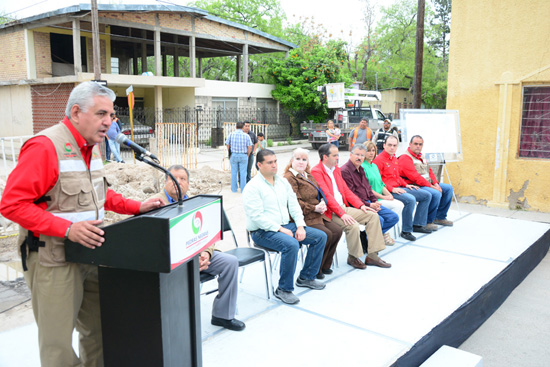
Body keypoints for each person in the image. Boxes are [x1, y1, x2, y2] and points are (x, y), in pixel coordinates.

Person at [0, 81, 164, 367]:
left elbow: (98, 194)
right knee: (57, 344)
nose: (109, 122)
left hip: (91, 253)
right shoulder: (45, 147)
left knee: (98, 329)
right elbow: (11, 204)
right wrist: (66, 229)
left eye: (111, 115)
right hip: (54, 259)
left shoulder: (91, 147)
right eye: (102, 114)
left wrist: (137, 206)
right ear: (76, 112)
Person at [150, 165, 245, 331]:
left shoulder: (194, 202)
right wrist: (194, 259)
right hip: (173, 260)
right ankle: (175, 326)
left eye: (182, 179)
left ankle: (222, 316)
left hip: (198, 253)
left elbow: (208, 233)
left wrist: (206, 254)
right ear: (165, 182)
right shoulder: (155, 204)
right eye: (173, 178)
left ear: (188, 184)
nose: (177, 182)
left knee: (230, 263)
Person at [243, 149, 327, 305]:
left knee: (320, 236)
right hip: (262, 231)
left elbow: (294, 206)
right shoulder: (252, 187)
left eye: (275, 161)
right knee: (291, 244)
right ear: (259, 165)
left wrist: (300, 226)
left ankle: (306, 277)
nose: (274, 165)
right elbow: (257, 217)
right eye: (270, 162)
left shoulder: (282, 182)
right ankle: (283, 289)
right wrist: (280, 229)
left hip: (286, 226)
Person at [311, 143, 390, 270]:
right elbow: (327, 196)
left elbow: (346, 191)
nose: (338, 158)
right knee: (352, 225)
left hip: (343, 207)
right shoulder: (316, 171)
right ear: (325, 157)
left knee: (373, 216)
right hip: (330, 212)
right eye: (335, 155)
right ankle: (353, 257)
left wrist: (360, 205)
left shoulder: (336, 170)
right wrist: (343, 214)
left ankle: (373, 256)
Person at [283, 148, 343, 279]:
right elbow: (295, 202)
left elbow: (320, 192)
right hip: (303, 216)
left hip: (317, 214)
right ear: (292, 160)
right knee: (326, 234)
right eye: (298, 159)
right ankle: (316, 269)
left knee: (337, 231)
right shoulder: (290, 177)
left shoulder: (308, 175)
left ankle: (325, 264)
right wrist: (314, 208)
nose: (301, 162)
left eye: (304, 159)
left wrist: (322, 202)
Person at [373, 135, 432, 241]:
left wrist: (406, 185)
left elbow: (397, 177)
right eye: (389, 145)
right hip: (389, 191)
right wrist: (392, 189)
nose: (392, 147)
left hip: (400, 187)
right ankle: (406, 231)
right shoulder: (379, 160)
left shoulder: (394, 158)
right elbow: (379, 181)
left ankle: (418, 224)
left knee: (426, 195)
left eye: (394, 145)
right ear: (384, 145)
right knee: (410, 199)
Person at [341, 144, 399, 246]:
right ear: (351, 155)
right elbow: (351, 195)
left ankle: (366, 237)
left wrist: (375, 201)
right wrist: (369, 205)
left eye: (362, 155)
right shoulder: (345, 171)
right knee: (378, 219)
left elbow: (368, 188)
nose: (359, 157)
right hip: (357, 205)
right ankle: (370, 244)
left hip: (368, 202)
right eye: (357, 154)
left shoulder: (361, 169)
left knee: (393, 217)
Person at [398, 135, 454, 227]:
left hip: (425, 183)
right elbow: (415, 177)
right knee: (435, 193)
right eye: (415, 144)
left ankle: (440, 217)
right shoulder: (405, 157)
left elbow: (429, 171)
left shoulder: (421, 156)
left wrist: (436, 184)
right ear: (410, 144)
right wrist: (432, 187)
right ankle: (428, 221)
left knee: (448, 189)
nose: (418, 146)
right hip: (414, 184)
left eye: (420, 144)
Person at [361, 141, 405, 224]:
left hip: (381, 196)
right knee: (398, 206)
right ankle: (386, 233)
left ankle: (389, 230)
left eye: (373, 151)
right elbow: (367, 188)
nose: (371, 153)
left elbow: (381, 184)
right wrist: (384, 197)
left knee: (399, 204)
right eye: (368, 150)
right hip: (373, 199)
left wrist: (389, 195)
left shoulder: (374, 166)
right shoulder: (362, 167)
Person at [225, 122, 252, 193]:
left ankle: (234, 189)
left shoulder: (231, 135)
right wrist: (248, 154)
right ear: (243, 127)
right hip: (243, 155)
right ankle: (243, 189)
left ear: (236, 127)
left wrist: (230, 152)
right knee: (243, 173)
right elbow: (250, 147)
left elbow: (227, 144)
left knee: (233, 172)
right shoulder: (246, 136)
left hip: (234, 155)